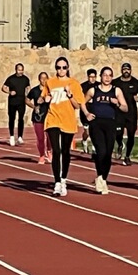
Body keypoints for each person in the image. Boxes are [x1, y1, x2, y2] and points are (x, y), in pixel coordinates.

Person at [44, 56, 87, 197]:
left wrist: (70, 95)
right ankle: (56, 182)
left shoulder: (74, 83)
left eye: (63, 67)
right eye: (58, 67)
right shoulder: (50, 82)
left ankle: (63, 179)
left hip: (68, 120)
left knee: (65, 151)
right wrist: (45, 99)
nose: (60, 70)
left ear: (67, 68)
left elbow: (77, 105)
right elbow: (43, 98)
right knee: (56, 150)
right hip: (53, 119)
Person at [83, 66, 129, 194]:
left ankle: (102, 178)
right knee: (101, 151)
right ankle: (100, 177)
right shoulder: (94, 90)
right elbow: (82, 101)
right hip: (96, 123)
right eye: (105, 75)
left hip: (110, 123)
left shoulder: (116, 91)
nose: (107, 77)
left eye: (110, 75)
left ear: (112, 77)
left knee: (108, 154)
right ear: (100, 77)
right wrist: (87, 113)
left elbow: (126, 108)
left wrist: (117, 104)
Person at [113, 61, 138, 166]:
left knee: (131, 135)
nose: (126, 71)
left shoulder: (136, 83)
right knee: (118, 133)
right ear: (121, 70)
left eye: (128, 69)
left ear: (130, 70)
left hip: (131, 114)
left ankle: (127, 156)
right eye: (124, 69)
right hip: (119, 113)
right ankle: (120, 144)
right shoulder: (115, 83)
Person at [1, 63, 31, 146]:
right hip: (12, 102)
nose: (20, 71)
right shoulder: (11, 79)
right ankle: (11, 136)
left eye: (22, 70)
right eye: (19, 70)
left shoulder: (25, 79)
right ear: (16, 70)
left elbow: (28, 88)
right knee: (12, 119)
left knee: (21, 118)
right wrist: (9, 92)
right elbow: (3, 87)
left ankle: (20, 137)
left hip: (21, 101)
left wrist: (28, 95)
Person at [28, 71, 53, 165]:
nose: (44, 80)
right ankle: (42, 155)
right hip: (38, 117)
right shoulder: (34, 90)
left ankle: (49, 151)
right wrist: (34, 107)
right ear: (39, 79)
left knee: (50, 137)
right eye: (42, 78)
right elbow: (27, 99)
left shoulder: (51, 90)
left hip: (50, 116)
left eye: (45, 78)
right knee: (40, 138)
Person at [78, 68, 98, 154]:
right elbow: (80, 99)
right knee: (87, 131)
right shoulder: (83, 86)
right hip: (85, 111)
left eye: (94, 77)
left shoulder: (99, 85)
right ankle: (84, 140)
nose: (92, 79)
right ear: (88, 77)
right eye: (91, 77)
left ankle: (94, 147)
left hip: (96, 110)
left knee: (95, 130)